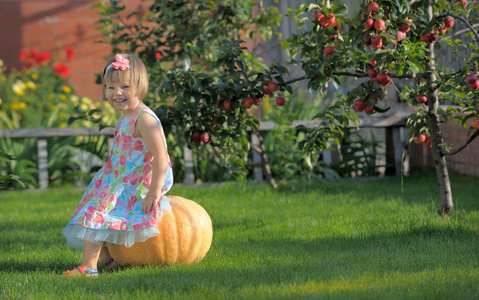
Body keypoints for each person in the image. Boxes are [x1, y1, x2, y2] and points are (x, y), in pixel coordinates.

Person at [62, 53, 173, 277]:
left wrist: (154, 191)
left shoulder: (144, 118)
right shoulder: (125, 117)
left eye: (125, 86)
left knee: (97, 212)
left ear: (141, 86)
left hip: (137, 180)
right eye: (111, 88)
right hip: (120, 176)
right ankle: (110, 261)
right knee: (95, 210)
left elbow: (161, 155)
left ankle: (88, 268)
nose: (117, 93)